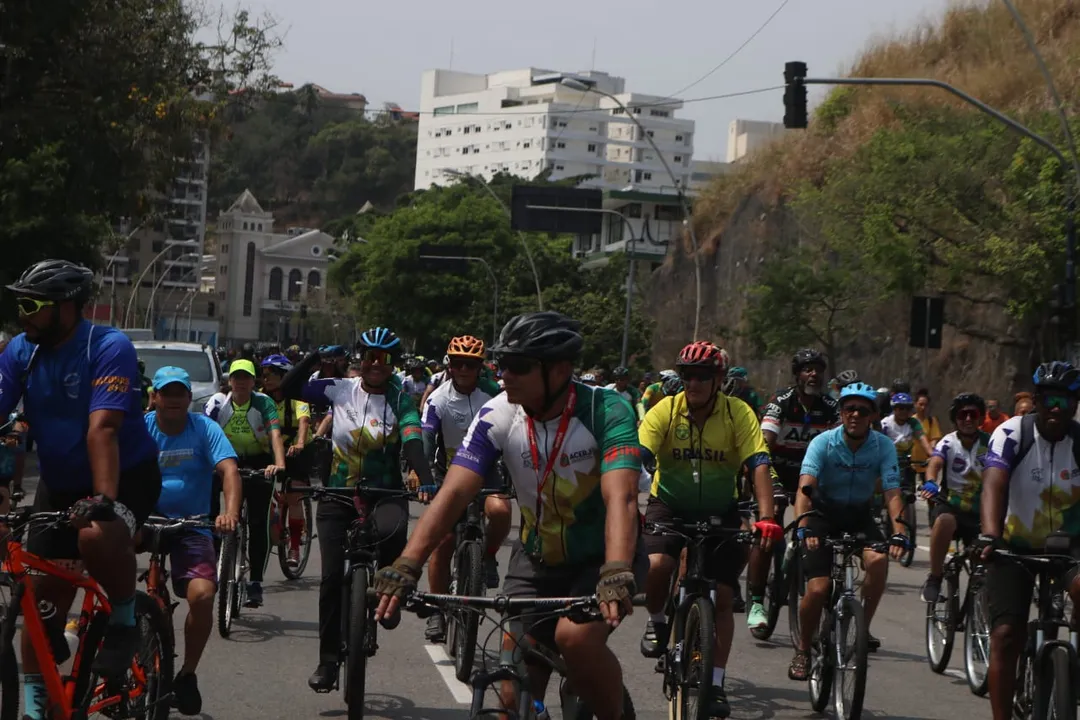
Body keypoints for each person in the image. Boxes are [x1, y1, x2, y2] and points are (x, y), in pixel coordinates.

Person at [373, 312, 643, 720]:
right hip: (535, 561)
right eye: (501, 365)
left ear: (561, 370)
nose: (504, 376)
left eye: (518, 366)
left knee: (575, 640)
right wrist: (408, 564)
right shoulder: (499, 413)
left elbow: (621, 496)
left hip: (600, 559)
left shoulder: (607, 410)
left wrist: (617, 568)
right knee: (511, 697)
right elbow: (455, 492)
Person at [0, 260, 163, 719]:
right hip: (61, 481)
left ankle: (126, 617)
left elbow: (103, 430)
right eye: (19, 304)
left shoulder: (108, 346)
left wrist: (105, 502)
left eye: (32, 305)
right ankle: (36, 709)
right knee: (37, 613)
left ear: (66, 308)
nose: (23, 315)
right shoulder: (20, 350)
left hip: (124, 475)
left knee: (95, 533)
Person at [280, 327, 437, 692]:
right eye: (369, 357)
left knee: (393, 534)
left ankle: (389, 592)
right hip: (338, 493)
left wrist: (425, 476)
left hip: (385, 492)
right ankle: (328, 661)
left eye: (383, 359)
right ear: (359, 360)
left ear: (392, 364)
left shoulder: (402, 400)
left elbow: (413, 441)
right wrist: (313, 360)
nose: (375, 364)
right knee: (332, 577)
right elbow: (288, 389)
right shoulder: (340, 388)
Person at [638, 341, 778, 718]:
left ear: (718, 379)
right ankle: (656, 621)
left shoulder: (739, 414)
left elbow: (759, 463)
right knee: (657, 565)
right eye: (687, 375)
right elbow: (641, 457)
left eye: (702, 376)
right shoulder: (664, 411)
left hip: (722, 509)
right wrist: (625, 501)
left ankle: (715, 683)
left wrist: (766, 517)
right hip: (669, 503)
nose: (693, 383)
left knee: (725, 596)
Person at [978, 361, 1080, 720]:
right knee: (1006, 636)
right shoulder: (1012, 433)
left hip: (1069, 545)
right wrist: (990, 534)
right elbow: (994, 483)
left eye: (1065, 400)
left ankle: (1072, 668)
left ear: (1075, 404)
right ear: (1036, 400)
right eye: (1050, 399)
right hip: (1012, 545)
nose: (1057, 407)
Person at [788, 382, 908, 680]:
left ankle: (861, 629)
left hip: (858, 516)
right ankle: (803, 649)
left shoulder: (883, 446)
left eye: (862, 410)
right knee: (818, 588)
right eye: (848, 409)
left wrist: (901, 531)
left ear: (873, 416)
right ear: (840, 413)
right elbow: (804, 489)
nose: (854, 414)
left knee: (879, 562)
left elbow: (893, 492)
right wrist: (803, 526)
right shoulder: (823, 443)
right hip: (821, 516)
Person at [144, 367, 242, 715]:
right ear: (154, 396)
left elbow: (229, 470)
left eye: (179, 393)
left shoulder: (204, 427)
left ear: (189, 398)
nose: (172, 400)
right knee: (105, 551)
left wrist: (229, 512)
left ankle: (186, 673)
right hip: (145, 521)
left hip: (192, 525)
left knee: (202, 596)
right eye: (165, 393)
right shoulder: (141, 428)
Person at [419, 335, 509, 642]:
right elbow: (427, 437)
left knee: (499, 511)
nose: (463, 370)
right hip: (450, 473)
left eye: (470, 365)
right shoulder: (438, 398)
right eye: (457, 363)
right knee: (442, 541)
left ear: (480, 367)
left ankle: (489, 557)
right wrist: (420, 474)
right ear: (449, 364)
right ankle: (436, 610)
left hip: (488, 470)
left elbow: (514, 426)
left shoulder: (495, 393)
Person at [751, 349, 838, 632]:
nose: (814, 374)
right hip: (778, 471)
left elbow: (841, 445)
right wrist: (770, 486)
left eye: (818, 369)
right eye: (807, 369)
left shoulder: (830, 406)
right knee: (769, 526)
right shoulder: (781, 403)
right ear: (797, 375)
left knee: (826, 528)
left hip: (811, 475)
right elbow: (764, 444)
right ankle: (756, 601)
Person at [204, 359, 286, 607]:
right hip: (225, 461)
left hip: (259, 463)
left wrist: (279, 464)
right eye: (236, 378)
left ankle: (255, 583)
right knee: (208, 513)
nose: (240, 382)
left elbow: (274, 434)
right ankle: (215, 555)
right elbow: (205, 431)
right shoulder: (218, 403)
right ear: (229, 381)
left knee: (259, 522)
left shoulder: (263, 402)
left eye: (246, 378)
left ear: (254, 381)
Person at [918, 392, 988, 602]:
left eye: (973, 415)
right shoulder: (948, 442)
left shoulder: (991, 443)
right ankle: (935, 577)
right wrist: (930, 480)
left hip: (980, 512)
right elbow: (935, 463)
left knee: (984, 564)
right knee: (945, 521)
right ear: (955, 419)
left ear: (980, 418)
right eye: (962, 415)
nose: (967, 419)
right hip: (951, 506)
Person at [260, 354, 313, 568]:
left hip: (296, 452)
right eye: (263, 375)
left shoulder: (297, 399)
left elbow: (304, 422)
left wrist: (300, 443)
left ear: (284, 376)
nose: (266, 379)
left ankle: (294, 547)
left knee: (294, 496)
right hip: (271, 451)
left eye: (270, 375)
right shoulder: (261, 398)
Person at [911, 388, 944, 481]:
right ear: (915, 404)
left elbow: (934, 439)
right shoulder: (910, 421)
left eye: (925, 405)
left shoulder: (931, 421)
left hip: (925, 464)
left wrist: (931, 453)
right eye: (920, 404)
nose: (923, 408)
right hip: (911, 464)